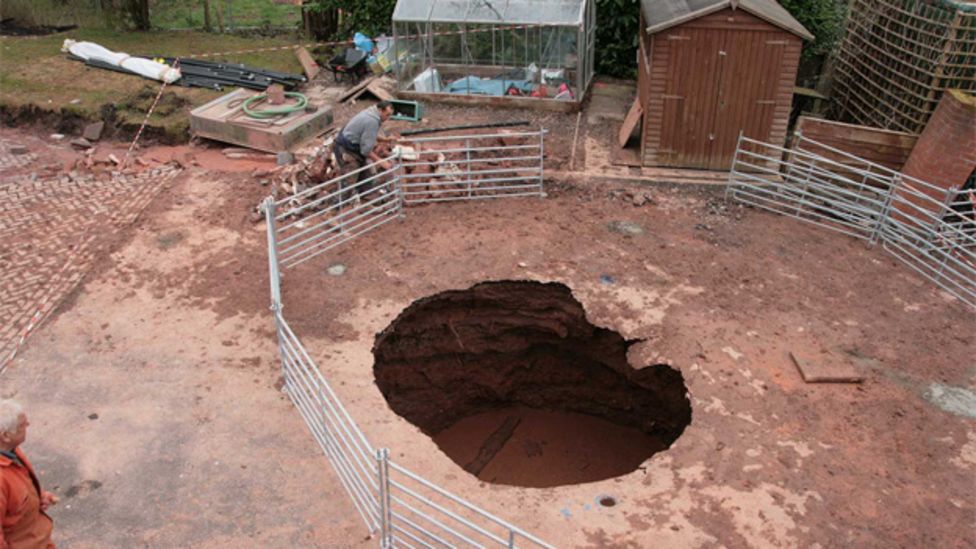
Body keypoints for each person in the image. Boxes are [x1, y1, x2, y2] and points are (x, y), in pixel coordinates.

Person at [0, 400, 57, 549]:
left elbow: (16, 493)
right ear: (5, 435)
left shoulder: (8, 450)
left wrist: (37, 498)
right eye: (22, 425)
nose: (28, 425)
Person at [332, 101, 397, 199]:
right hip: (346, 150)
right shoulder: (372, 121)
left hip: (351, 146)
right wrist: (381, 162)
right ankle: (337, 208)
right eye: (387, 115)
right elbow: (366, 150)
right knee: (349, 182)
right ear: (380, 110)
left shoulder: (370, 113)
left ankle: (363, 200)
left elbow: (367, 134)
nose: (388, 118)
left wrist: (385, 140)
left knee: (366, 178)